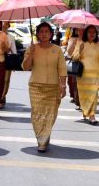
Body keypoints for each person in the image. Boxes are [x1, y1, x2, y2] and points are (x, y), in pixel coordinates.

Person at [22, 22, 67, 153]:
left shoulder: (57, 49)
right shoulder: (32, 48)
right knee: (37, 114)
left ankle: (44, 135)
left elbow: (62, 68)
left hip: (53, 86)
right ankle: (41, 140)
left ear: (51, 34)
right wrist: (30, 53)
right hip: (36, 86)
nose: (44, 34)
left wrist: (63, 85)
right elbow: (25, 67)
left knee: (50, 114)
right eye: (41, 31)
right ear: (37, 34)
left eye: (46, 31)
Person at [71, 25, 99, 125]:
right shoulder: (80, 43)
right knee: (84, 96)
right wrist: (79, 50)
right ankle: (86, 112)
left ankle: (92, 115)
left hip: (95, 75)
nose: (92, 34)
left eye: (94, 32)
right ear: (86, 33)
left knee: (93, 95)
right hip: (83, 75)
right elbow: (74, 58)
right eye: (90, 32)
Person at [0, 21, 17, 108]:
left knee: (6, 80)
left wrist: (14, 63)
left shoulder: (11, 37)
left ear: (8, 25)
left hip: (8, 59)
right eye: (2, 24)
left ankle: (2, 97)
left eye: (6, 24)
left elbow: (14, 50)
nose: (4, 25)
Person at [65, 28, 81, 108]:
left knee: (77, 82)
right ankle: (74, 96)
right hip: (72, 61)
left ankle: (78, 99)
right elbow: (69, 51)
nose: (79, 31)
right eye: (77, 30)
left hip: (82, 63)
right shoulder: (72, 38)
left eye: (81, 30)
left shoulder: (84, 39)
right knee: (71, 81)